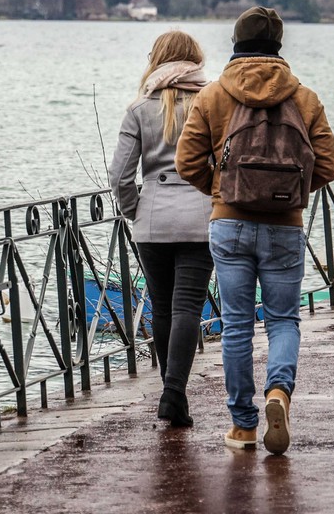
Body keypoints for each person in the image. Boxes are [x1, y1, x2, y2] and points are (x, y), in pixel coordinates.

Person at [175, 7, 334, 455]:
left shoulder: (212, 96)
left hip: (229, 224)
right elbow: (329, 165)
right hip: (285, 226)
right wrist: (289, 191)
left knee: (237, 327)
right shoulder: (304, 98)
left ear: (236, 43)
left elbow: (186, 162)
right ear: (278, 46)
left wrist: (225, 188)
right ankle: (278, 393)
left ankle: (244, 427)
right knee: (284, 319)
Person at [108, 31, 214, 428]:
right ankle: (174, 393)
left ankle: (173, 393)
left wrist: (138, 209)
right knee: (188, 306)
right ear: (195, 61)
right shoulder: (211, 102)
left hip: (153, 220)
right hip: (200, 215)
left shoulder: (139, 109)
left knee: (162, 306)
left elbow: (119, 176)